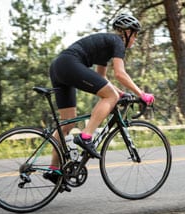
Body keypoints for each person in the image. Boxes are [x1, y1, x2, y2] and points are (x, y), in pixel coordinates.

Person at [44, 14, 154, 185]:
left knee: (67, 124)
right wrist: (141, 94)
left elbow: (101, 79)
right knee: (111, 96)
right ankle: (86, 136)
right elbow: (119, 73)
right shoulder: (118, 42)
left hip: (59, 66)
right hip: (70, 64)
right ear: (127, 32)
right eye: (135, 34)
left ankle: (54, 169)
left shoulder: (106, 47)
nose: (135, 38)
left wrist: (121, 93)